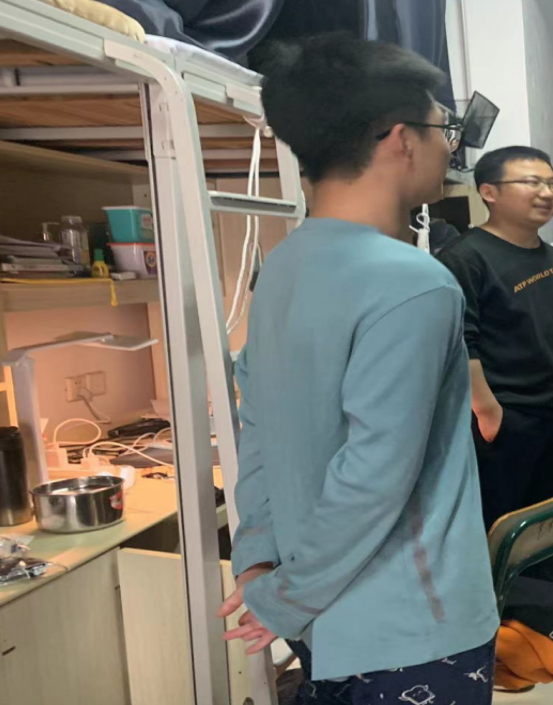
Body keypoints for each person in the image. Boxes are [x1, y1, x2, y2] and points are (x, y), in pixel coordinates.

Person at [218, 35, 499, 704]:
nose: (449, 149)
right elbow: (375, 474)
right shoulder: (414, 281)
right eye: (442, 131)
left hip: (322, 615)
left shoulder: (283, 266)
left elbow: (256, 424)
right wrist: (285, 596)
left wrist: (260, 558)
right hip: (412, 627)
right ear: (399, 139)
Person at [437, 146, 553, 642]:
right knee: (503, 527)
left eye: (552, 183)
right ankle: (497, 625)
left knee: (552, 526)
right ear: (489, 192)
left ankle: (550, 616)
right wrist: (487, 409)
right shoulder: (465, 258)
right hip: (506, 420)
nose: (546, 192)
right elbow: (461, 340)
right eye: (531, 182)